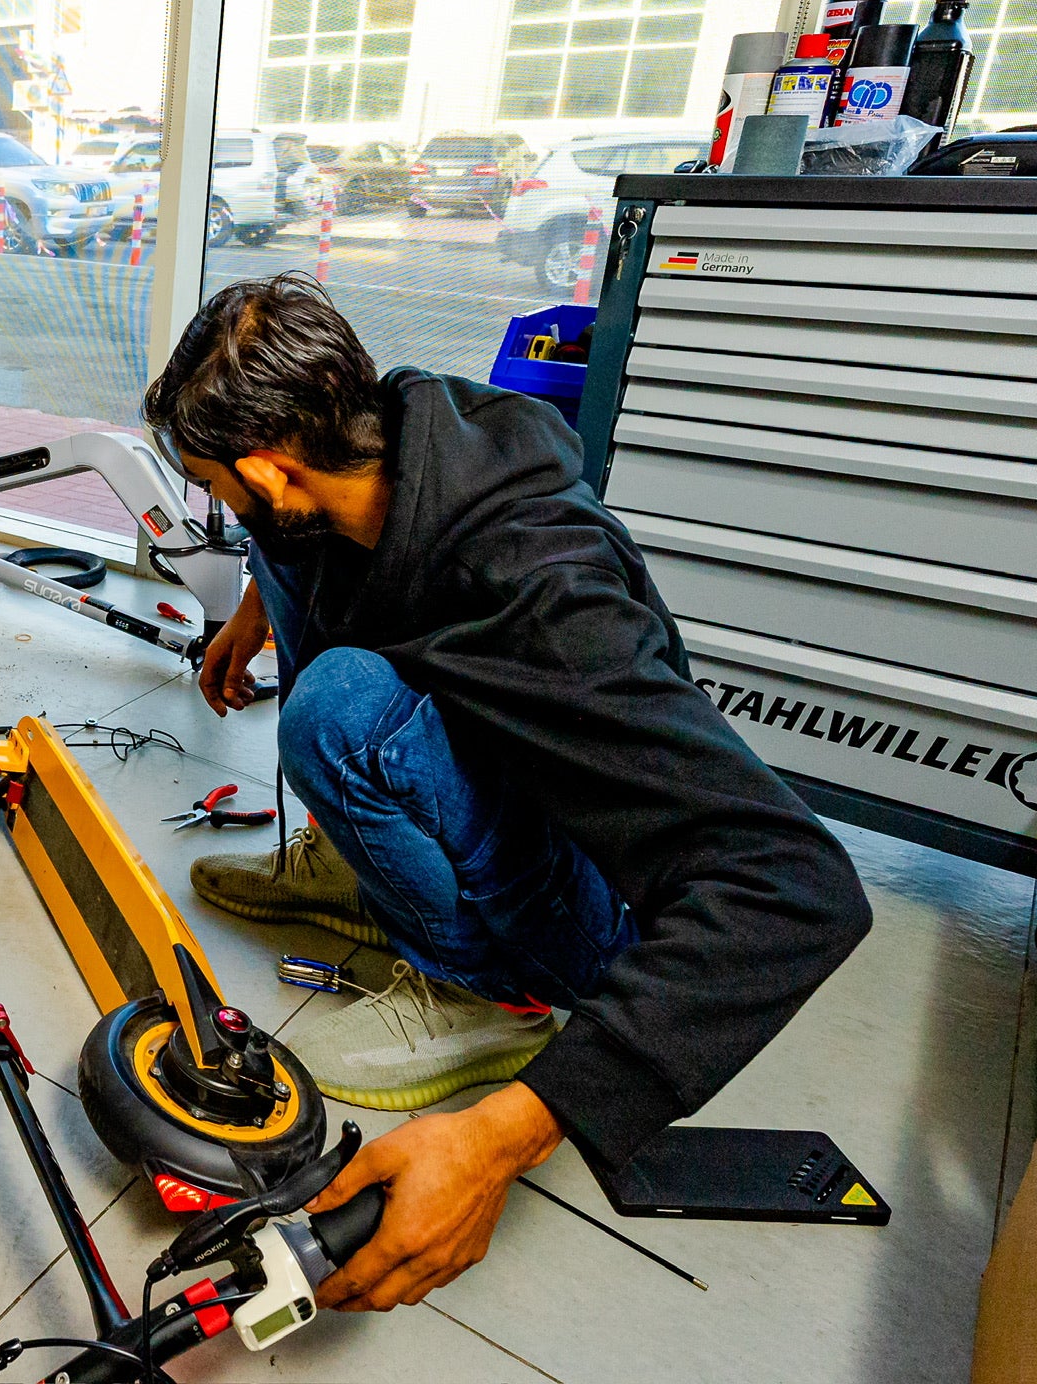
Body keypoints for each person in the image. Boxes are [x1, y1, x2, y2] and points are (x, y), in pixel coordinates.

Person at [140, 272, 871, 1315]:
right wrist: (253, 613)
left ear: (267, 460)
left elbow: (796, 890)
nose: (215, 500)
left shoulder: (545, 601)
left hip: (590, 912)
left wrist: (506, 1133)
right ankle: (369, 859)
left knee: (337, 706)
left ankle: (484, 993)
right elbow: (282, 525)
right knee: (285, 545)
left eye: (217, 481)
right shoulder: (392, 430)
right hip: (480, 755)